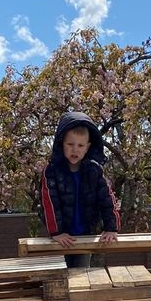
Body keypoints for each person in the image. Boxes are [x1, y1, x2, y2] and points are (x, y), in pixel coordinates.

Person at [38, 112, 120, 268]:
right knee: (62, 274)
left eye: (80, 145)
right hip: (62, 236)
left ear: (88, 147)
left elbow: (107, 199)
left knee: (80, 273)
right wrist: (57, 232)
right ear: (62, 143)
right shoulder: (52, 171)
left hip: (84, 234)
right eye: (70, 144)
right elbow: (48, 202)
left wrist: (111, 228)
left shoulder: (94, 170)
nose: (75, 150)